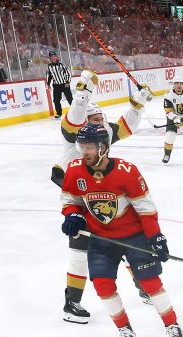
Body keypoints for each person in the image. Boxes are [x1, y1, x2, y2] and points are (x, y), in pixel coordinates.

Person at [59, 124, 183, 337]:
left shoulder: (127, 172)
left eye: (88, 147)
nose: (83, 151)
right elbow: (70, 202)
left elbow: (145, 208)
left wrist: (155, 236)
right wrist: (73, 216)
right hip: (100, 239)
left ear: (103, 148)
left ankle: (172, 324)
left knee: (150, 283)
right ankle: (124, 329)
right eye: (81, 146)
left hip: (133, 237)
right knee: (103, 286)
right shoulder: (75, 170)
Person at [51, 71, 154, 323]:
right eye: (94, 119)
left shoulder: (101, 135)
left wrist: (137, 104)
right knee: (79, 251)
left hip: (100, 196)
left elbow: (125, 126)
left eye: (101, 118)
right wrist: (84, 93)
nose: (100, 123)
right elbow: (75, 114)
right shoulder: (73, 133)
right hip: (78, 197)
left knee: (122, 240)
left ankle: (142, 285)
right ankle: (72, 303)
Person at [44, 50, 71, 119]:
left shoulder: (62, 65)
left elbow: (68, 73)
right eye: (51, 57)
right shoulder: (49, 66)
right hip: (56, 85)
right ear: (50, 58)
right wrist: (48, 84)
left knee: (70, 99)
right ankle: (59, 113)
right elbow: (49, 76)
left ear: (56, 57)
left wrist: (67, 82)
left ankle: (74, 111)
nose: (53, 58)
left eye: (54, 56)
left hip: (64, 84)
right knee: (56, 100)